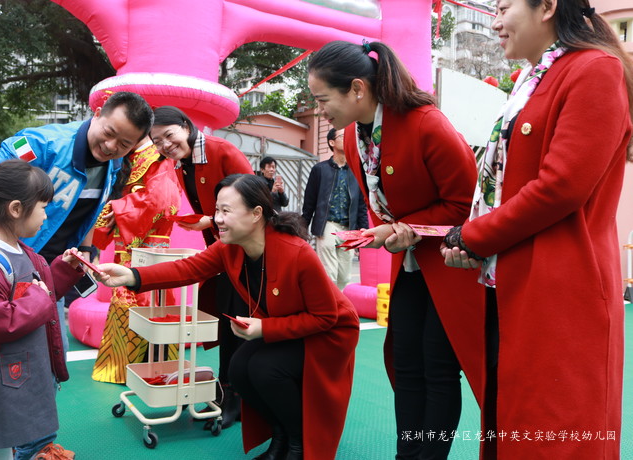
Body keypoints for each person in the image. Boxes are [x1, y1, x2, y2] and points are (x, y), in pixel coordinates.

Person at [440, 0, 633, 458]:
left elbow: (560, 187)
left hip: (560, 286)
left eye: (503, 8)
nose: (496, 21)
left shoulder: (594, 70)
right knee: (513, 422)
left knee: (553, 428)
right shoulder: (535, 78)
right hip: (515, 281)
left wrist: (475, 236)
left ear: (548, 6)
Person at [95, 174, 360, 460]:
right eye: (216, 210)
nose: (217, 219)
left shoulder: (297, 253)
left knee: (265, 369)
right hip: (287, 325)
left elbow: (325, 317)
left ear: (257, 213)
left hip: (327, 333)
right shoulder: (229, 247)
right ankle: (280, 438)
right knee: (239, 368)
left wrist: (265, 328)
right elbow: (187, 269)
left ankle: (298, 445)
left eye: (225, 211)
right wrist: (132, 275)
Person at [308, 40, 485, 459]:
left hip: (449, 266)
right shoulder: (352, 138)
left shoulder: (426, 123)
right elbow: (379, 201)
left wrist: (409, 227)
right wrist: (387, 230)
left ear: (356, 88)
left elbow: (465, 203)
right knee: (404, 363)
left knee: (438, 368)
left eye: (322, 99)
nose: (320, 111)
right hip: (408, 267)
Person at [0, 91, 153, 460]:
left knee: (49, 363)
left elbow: (84, 215)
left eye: (125, 143)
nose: (112, 145)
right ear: (96, 112)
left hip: (48, 277)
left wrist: (86, 251)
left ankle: (32, 447)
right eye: (109, 132)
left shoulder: (113, 166)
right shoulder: (41, 143)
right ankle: (27, 447)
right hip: (7, 269)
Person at [0, 160, 85, 460]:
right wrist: (39, 297)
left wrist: (62, 270)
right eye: (43, 208)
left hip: (14, 374)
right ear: (17, 209)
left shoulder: (21, 252)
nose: (47, 216)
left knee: (2, 439)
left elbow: (41, 293)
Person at [149, 105, 254, 428]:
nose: (165, 145)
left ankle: (237, 400)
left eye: (169, 135)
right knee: (225, 322)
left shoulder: (223, 151)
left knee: (239, 325)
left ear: (185, 125)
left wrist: (211, 219)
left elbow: (254, 202)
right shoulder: (182, 164)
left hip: (247, 255)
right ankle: (227, 392)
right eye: (157, 141)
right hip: (222, 253)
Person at [90, 136, 182, 384]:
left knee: (146, 301)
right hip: (130, 244)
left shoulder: (157, 158)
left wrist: (120, 209)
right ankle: (122, 368)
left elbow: (163, 200)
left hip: (149, 247)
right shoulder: (127, 158)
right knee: (127, 299)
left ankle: (145, 368)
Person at [301, 127, 368, 291]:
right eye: (342, 136)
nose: (347, 139)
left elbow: (361, 203)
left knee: (344, 277)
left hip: (349, 228)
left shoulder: (356, 170)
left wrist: (363, 229)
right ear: (332, 142)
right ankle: (329, 310)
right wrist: (302, 228)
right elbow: (309, 201)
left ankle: (337, 306)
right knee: (330, 273)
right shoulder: (319, 169)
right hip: (327, 225)